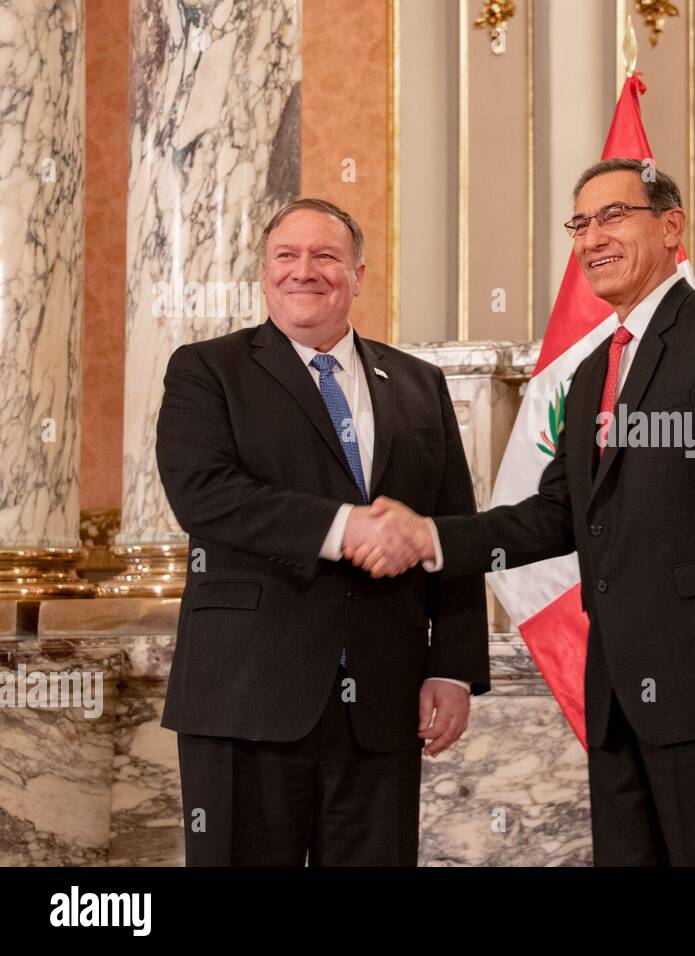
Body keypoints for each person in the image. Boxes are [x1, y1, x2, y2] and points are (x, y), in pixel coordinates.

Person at [353, 159, 695, 866]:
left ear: (671, 226)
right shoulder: (595, 369)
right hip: (620, 698)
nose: (592, 237)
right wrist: (430, 538)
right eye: (580, 223)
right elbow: (559, 513)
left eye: (613, 216)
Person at [156, 198, 489, 866]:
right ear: (265, 272)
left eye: (325, 256)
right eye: (287, 255)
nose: (304, 270)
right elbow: (205, 496)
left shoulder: (420, 386)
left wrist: (452, 667)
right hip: (246, 698)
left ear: (358, 273)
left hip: (382, 704)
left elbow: (452, 533)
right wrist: (343, 527)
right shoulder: (207, 369)